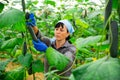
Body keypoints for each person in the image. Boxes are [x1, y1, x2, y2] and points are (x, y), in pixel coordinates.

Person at [26, 13, 76, 80]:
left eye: (61, 30)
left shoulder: (71, 49)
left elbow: (65, 63)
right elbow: (40, 37)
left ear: (67, 34)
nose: (58, 32)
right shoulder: (51, 42)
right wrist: (34, 28)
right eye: (56, 29)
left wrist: (47, 50)